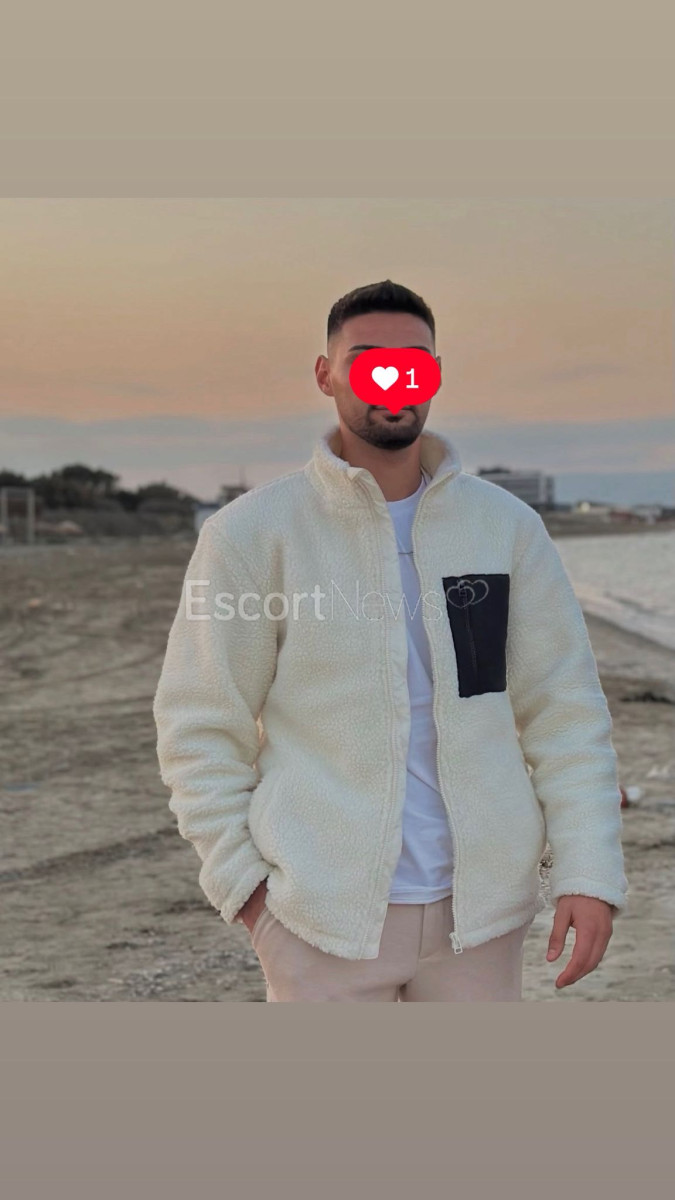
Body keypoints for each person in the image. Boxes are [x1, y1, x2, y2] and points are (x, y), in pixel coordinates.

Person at [153, 279, 628, 1002]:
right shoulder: (251, 534)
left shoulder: (504, 527)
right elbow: (198, 724)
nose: (394, 379)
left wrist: (588, 872)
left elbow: (563, 712)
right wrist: (245, 890)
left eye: (413, 362)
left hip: (481, 918)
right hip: (320, 920)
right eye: (369, 360)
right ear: (326, 375)